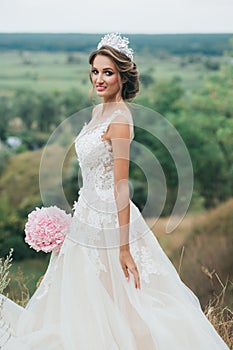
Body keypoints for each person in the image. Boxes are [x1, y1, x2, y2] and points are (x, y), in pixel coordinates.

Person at [0, 33, 230, 350]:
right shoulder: (98, 114)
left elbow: (122, 184)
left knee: (126, 303)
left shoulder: (121, 119)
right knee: (84, 301)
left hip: (111, 221)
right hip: (85, 215)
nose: (99, 79)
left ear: (122, 76)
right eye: (95, 71)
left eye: (107, 72)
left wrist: (124, 249)